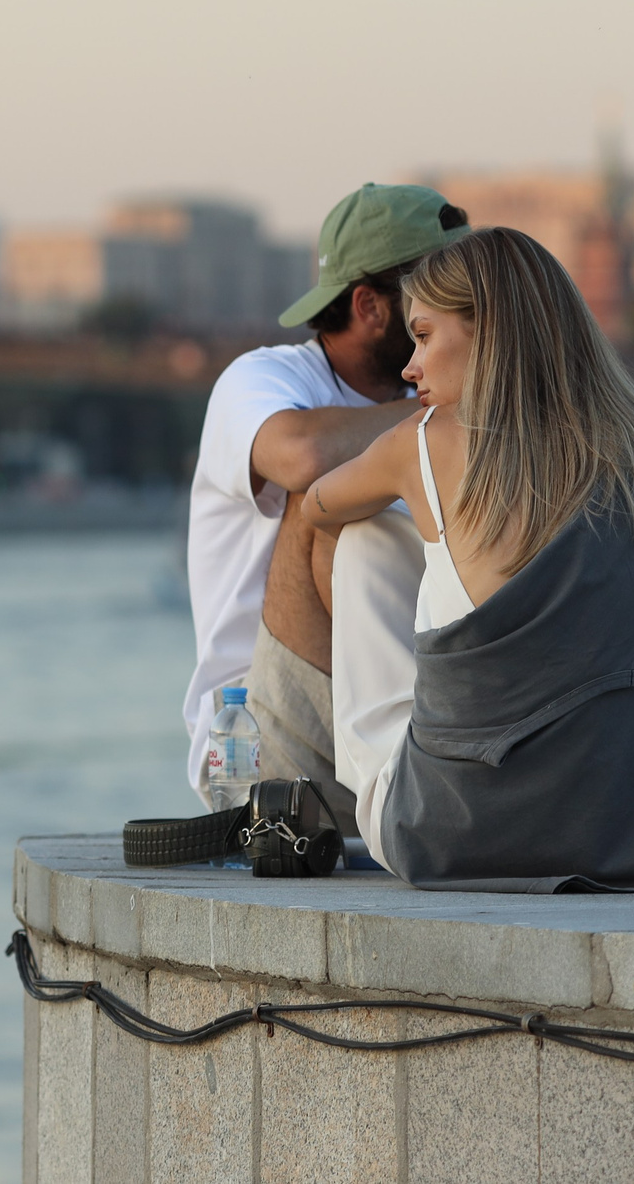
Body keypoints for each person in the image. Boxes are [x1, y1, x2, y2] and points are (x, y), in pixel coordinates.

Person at [306, 228, 634, 891]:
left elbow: (316, 505)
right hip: (631, 837)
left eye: (423, 335)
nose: (409, 366)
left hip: (447, 834)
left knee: (367, 535)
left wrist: (422, 509)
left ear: (488, 331)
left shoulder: (420, 444)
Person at [178, 184, 466, 830]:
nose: (462, 308)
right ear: (370, 305)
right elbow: (300, 456)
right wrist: (453, 413)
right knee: (333, 498)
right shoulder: (262, 378)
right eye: (442, 290)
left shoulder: (441, 400)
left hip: (385, 722)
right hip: (258, 753)